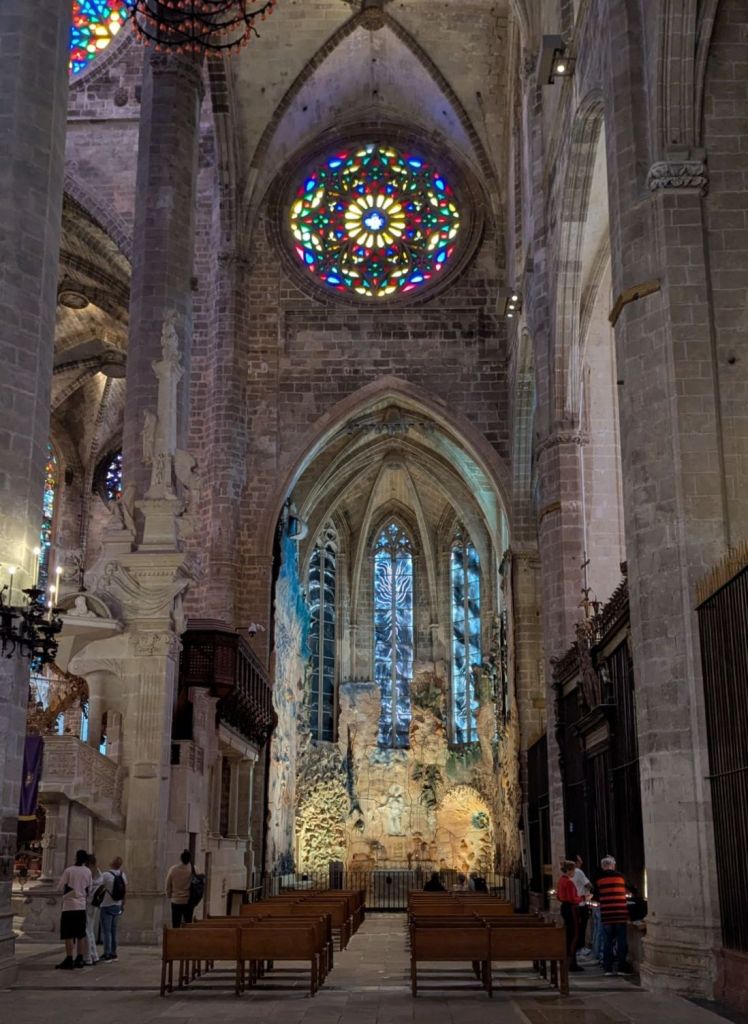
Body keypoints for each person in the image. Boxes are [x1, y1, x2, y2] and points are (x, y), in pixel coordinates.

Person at [593, 855, 634, 977]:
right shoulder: (621, 877)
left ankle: (608, 968)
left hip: (607, 914)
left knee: (607, 942)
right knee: (621, 941)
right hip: (620, 913)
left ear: (603, 866)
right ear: (612, 865)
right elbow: (632, 888)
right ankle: (621, 967)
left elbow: (595, 896)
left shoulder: (599, 879)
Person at [56, 849, 92, 970]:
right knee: (80, 934)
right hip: (81, 906)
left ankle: (69, 958)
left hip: (69, 906)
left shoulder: (69, 870)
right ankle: (80, 958)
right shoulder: (87, 871)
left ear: (76, 857)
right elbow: (90, 888)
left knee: (68, 934)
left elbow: (60, 886)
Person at [557, 859, 583, 972]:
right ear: (569, 870)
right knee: (574, 935)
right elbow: (573, 898)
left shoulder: (561, 881)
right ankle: (571, 962)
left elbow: (558, 896)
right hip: (571, 908)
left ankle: (569, 960)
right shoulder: (569, 882)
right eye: (573, 870)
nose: (574, 873)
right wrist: (583, 898)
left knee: (569, 934)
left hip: (564, 907)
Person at [99, 856, 127, 963]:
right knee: (113, 931)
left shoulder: (106, 875)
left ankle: (107, 954)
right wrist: (122, 905)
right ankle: (114, 953)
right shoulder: (123, 875)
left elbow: (98, 886)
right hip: (117, 905)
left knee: (106, 931)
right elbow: (125, 892)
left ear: (112, 863)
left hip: (106, 905)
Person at [165, 849, 194, 927]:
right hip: (188, 901)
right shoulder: (194, 869)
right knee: (188, 924)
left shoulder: (173, 869)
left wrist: (169, 895)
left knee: (175, 924)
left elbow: (168, 884)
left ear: (181, 858)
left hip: (176, 900)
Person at [571, 854, 592, 955]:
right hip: (581, 903)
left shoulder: (570, 874)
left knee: (576, 927)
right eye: (579, 861)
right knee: (582, 926)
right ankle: (581, 947)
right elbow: (588, 884)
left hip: (574, 903)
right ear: (575, 862)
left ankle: (576, 947)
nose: (582, 862)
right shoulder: (578, 872)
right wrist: (592, 889)